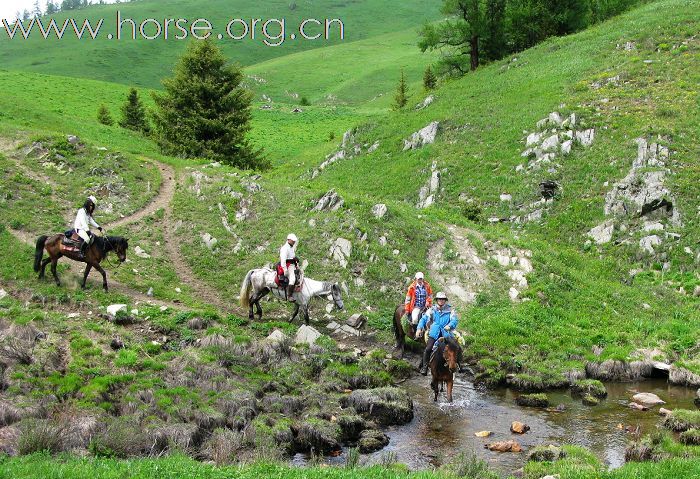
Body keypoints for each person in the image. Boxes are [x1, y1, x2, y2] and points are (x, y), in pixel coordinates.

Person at [416, 291, 458, 376]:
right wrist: (419, 328)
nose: (441, 301)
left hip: (446, 334)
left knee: (456, 348)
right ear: (437, 300)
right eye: (440, 299)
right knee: (428, 349)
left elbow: (454, 320)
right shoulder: (431, 310)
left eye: (443, 299)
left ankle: (459, 365)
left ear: (445, 300)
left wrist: (449, 325)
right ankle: (424, 367)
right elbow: (423, 319)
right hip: (434, 333)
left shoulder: (450, 311)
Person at [280, 233, 299, 301]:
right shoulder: (285, 248)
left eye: (294, 241)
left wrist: (296, 261)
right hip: (288, 266)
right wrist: (285, 269)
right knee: (293, 279)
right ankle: (289, 295)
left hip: (293, 265)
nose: (294, 242)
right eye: (293, 240)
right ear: (289, 240)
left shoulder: (291, 247)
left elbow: (292, 256)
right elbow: (283, 260)